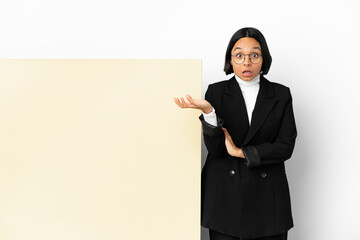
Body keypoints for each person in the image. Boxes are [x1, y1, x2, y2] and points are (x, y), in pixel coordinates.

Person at [174, 27, 297, 240]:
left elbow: (286, 146)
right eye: (239, 55)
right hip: (225, 199)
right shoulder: (216, 92)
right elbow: (215, 149)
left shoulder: (280, 93)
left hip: (267, 201)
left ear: (263, 58)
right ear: (230, 60)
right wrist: (209, 112)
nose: (246, 62)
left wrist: (242, 152)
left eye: (254, 55)